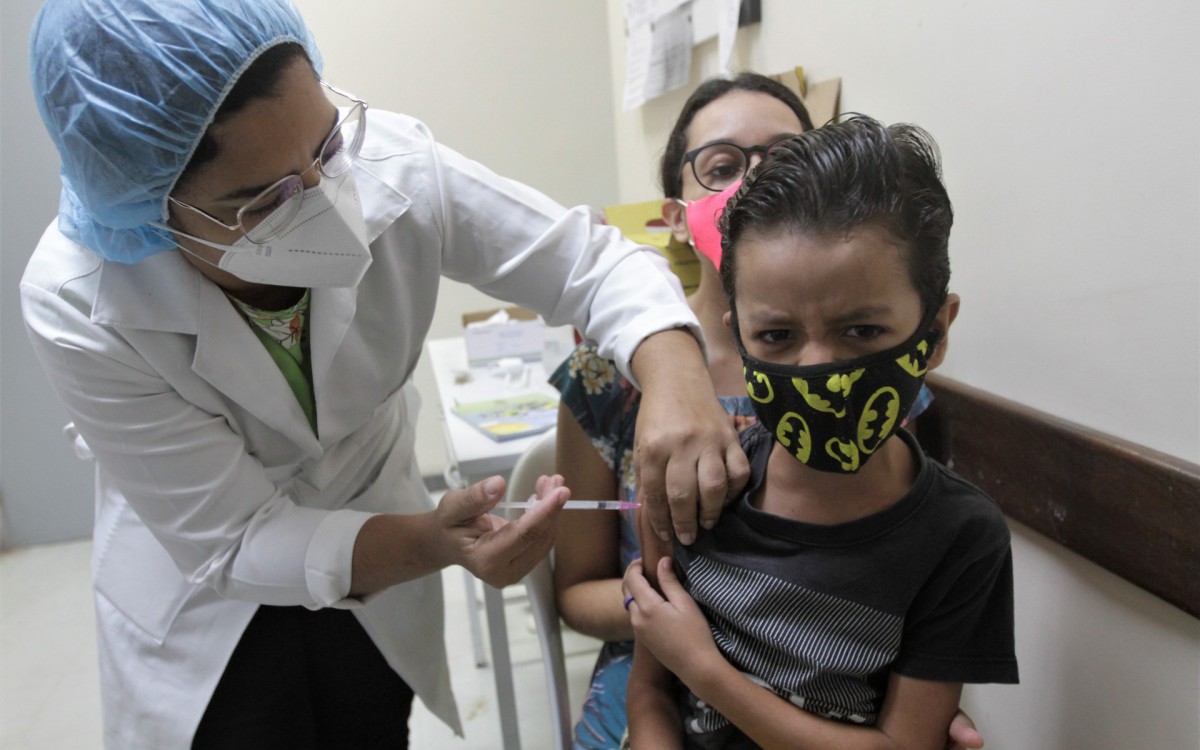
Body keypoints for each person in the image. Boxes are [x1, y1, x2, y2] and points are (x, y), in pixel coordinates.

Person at [19, 1, 746, 747]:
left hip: (372, 551)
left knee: (368, 720)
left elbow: (589, 263)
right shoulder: (81, 300)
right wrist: (433, 542)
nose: (326, 199)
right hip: (205, 606)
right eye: (262, 201)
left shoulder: (391, 162)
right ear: (155, 213)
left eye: (328, 144)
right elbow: (234, 540)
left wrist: (677, 372)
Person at [551, 76, 982, 749]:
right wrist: (681, 620)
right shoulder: (605, 375)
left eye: (781, 157)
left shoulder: (875, 386)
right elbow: (576, 592)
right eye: (721, 167)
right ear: (673, 213)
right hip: (656, 659)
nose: (753, 182)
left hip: (828, 678)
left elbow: (901, 574)